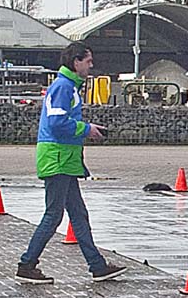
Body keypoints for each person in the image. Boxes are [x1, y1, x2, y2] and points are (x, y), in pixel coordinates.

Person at [15, 42, 126, 284]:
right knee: (54, 215)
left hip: (63, 159)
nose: (91, 65)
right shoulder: (64, 88)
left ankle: (97, 266)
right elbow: (56, 123)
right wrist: (88, 129)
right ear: (76, 62)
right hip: (58, 159)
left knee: (77, 213)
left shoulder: (66, 87)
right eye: (88, 60)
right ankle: (27, 264)